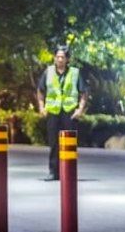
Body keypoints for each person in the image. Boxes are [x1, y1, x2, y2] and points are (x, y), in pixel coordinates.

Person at [36, 44, 87, 180]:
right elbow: (40, 91)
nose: (59, 59)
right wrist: (41, 107)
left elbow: (83, 93)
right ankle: (53, 171)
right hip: (53, 111)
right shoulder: (48, 72)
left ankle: (69, 172)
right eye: (57, 57)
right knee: (54, 143)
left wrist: (80, 109)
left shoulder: (75, 73)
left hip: (69, 112)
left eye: (62, 57)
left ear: (67, 59)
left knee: (70, 144)